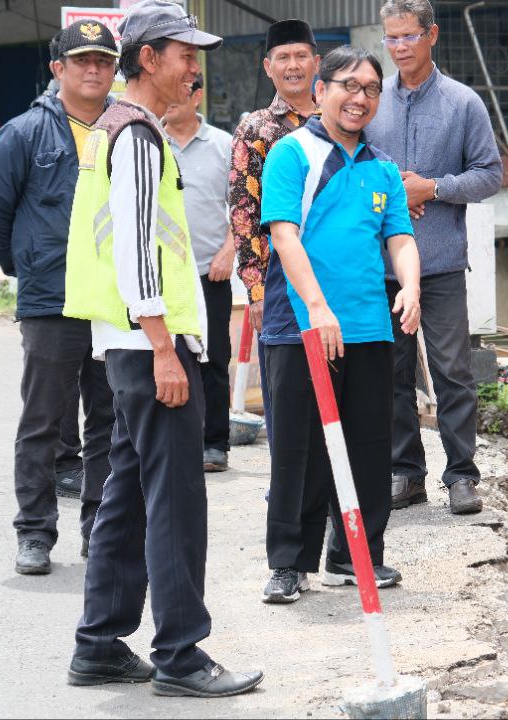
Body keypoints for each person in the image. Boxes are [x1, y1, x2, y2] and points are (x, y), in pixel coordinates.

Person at [62, 0, 262, 698]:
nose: (192, 66)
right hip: (151, 344)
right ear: (148, 59)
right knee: (175, 499)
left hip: (127, 345)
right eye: (183, 54)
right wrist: (165, 348)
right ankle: (181, 652)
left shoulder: (110, 128)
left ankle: (99, 643)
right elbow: (136, 250)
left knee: (126, 495)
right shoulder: (141, 138)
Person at [257, 45, 421, 604]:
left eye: (372, 89)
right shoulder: (292, 153)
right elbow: (283, 234)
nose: (360, 98)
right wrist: (319, 308)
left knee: (369, 447)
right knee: (300, 450)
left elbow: (398, 238)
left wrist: (412, 286)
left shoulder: (382, 170)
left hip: (370, 329)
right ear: (321, 89)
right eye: (349, 86)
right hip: (301, 326)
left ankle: (356, 555)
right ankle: (288, 562)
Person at [0, 18, 120, 575]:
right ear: (58, 69)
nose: (92, 69)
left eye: (103, 61)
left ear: (115, 71)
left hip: (112, 300)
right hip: (51, 300)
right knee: (43, 418)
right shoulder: (23, 133)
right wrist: (27, 265)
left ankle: (99, 530)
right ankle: (34, 532)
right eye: (81, 61)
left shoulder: (127, 128)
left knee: (109, 418)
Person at [364, 0, 502, 516]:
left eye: (408, 37)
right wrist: (395, 200)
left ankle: (463, 475)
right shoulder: (373, 101)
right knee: (390, 373)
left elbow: (490, 174)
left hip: (440, 261)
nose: (399, 48)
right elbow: (358, 166)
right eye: (391, 38)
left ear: (432, 35)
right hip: (381, 265)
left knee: (451, 371)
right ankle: (407, 473)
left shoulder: (463, 103)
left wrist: (434, 188)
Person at [229, 18, 321, 447]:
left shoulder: (338, 119)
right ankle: (289, 494)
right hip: (278, 284)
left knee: (338, 386)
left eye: (301, 56)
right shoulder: (255, 129)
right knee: (286, 391)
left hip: (334, 272)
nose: (293, 65)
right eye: (283, 57)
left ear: (316, 62)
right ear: (268, 66)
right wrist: (255, 290)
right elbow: (243, 213)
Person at [163, 73, 235, 473]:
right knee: (166, 357)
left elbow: (243, 210)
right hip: (163, 275)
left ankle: (214, 444)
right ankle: (175, 439)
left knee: (213, 360)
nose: (171, 99)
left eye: (181, 91)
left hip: (211, 273)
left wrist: (229, 252)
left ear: (198, 96)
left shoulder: (224, 145)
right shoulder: (149, 142)